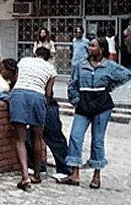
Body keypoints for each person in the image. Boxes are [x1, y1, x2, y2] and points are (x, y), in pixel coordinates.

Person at [57, 37, 131, 189]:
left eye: (92, 46)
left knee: (98, 140)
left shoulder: (109, 66)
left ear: (101, 49)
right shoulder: (80, 65)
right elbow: (73, 84)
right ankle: (75, 174)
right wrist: (75, 100)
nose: (89, 48)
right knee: (75, 136)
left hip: (102, 106)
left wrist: (108, 87)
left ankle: (96, 175)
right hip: (83, 105)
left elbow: (126, 75)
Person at [9, 47, 57, 191]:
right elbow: (48, 93)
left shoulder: (24, 61)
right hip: (37, 96)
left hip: (19, 95)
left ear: (35, 54)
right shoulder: (51, 69)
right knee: (37, 138)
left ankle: (25, 176)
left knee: (20, 138)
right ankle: (37, 174)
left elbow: (15, 79)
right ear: (48, 57)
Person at [25, 98, 72, 177]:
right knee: (30, 136)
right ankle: (37, 166)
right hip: (39, 103)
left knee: (53, 137)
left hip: (46, 104)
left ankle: (65, 168)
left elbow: (48, 93)